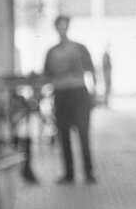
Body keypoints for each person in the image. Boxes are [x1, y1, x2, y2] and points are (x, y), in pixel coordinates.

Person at [41, 15, 98, 184]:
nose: (62, 29)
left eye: (64, 26)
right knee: (63, 136)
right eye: (59, 26)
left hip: (79, 95)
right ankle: (69, 174)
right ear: (56, 28)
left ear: (68, 27)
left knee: (83, 136)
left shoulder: (80, 49)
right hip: (61, 96)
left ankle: (88, 173)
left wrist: (93, 95)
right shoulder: (51, 53)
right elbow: (46, 76)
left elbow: (92, 72)